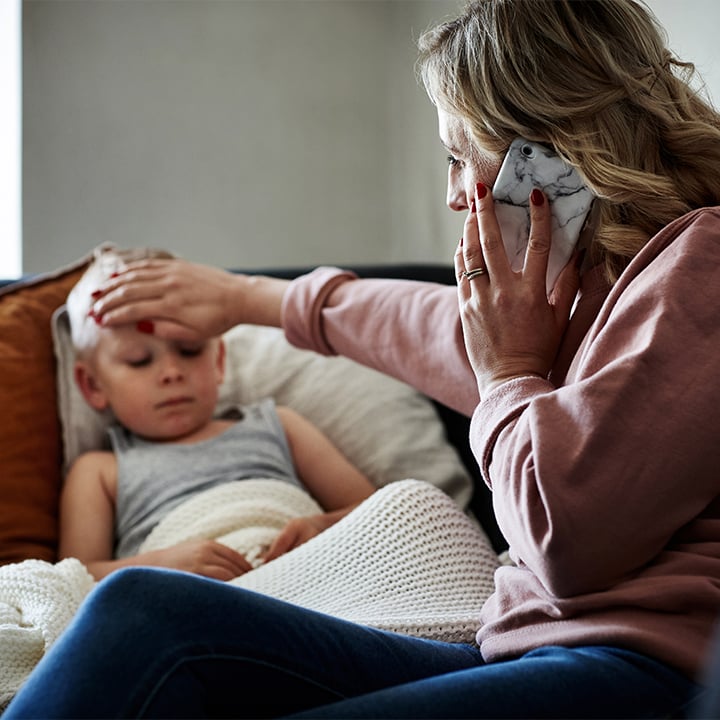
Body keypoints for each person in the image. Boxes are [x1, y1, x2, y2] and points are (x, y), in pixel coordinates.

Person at [6, 0, 720, 716]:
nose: (451, 195)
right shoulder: (583, 288)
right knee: (142, 612)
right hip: (521, 648)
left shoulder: (701, 265)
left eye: (456, 155)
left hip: (634, 667)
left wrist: (509, 374)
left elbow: (569, 543)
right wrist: (252, 300)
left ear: (548, 147)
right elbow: (427, 329)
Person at [61, 248, 375, 581]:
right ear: (93, 385)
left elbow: (379, 511)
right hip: (188, 600)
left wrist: (321, 528)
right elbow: (72, 580)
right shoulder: (99, 471)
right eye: (140, 360)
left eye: (189, 351)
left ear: (219, 361)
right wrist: (159, 566)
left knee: (415, 497)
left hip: (307, 580)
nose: (171, 372)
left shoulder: (279, 425)